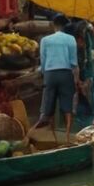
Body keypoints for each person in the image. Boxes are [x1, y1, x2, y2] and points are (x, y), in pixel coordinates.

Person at [37, 13, 79, 145]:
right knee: (67, 107)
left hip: (50, 74)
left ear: (53, 25)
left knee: (48, 106)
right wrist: (76, 79)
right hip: (65, 73)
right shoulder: (71, 39)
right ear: (65, 26)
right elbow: (73, 62)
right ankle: (67, 137)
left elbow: (43, 61)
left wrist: (45, 74)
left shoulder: (45, 40)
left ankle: (52, 138)